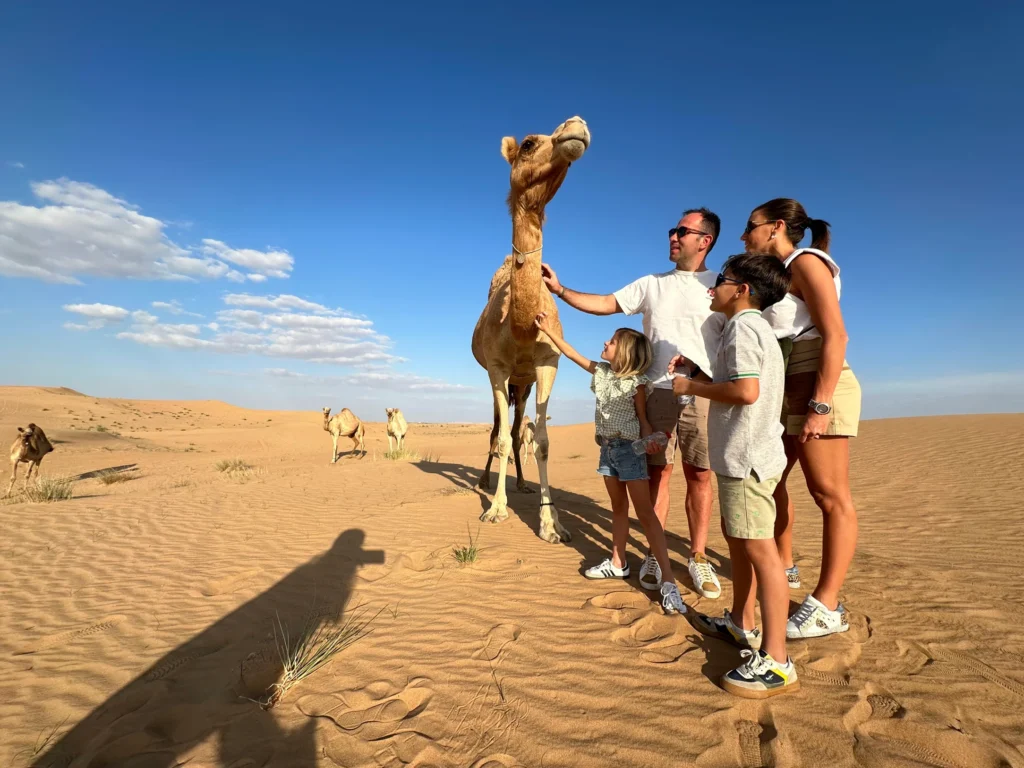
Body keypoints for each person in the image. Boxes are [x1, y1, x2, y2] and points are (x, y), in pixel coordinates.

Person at [540, 208, 725, 600]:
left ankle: (697, 555)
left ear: (704, 240)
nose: (673, 236)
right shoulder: (652, 284)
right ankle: (657, 558)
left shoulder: (722, 287)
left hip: (704, 392)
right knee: (658, 476)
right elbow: (606, 303)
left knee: (701, 476)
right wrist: (561, 291)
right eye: (672, 230)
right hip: (655, 391)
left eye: (682, 231)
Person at [670, 253, 798, 698]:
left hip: (746, 461)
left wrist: (691, 387)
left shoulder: (743, 327)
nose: (713, 286)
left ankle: (777, 661)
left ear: (742, 290)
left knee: (762, 554)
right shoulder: (750, 328)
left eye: (721, 280)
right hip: (744, 458)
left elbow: (746, 391)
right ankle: (742, 624)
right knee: (741, 546)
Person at [741, 198, 862, 639]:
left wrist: (821, 404)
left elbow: (837, 333)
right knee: (772, 480)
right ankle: (785, 566)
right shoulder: (780, 274)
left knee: (830, 494)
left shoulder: (808, 262)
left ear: (775, 227)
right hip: (790, 382)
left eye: (749, 227)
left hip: (818, 381)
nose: (744, 235)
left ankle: (827, 603)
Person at [533, 313, 687, 615]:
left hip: (631, 451)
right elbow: (573, 354)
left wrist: (651, 439)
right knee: (619, 509)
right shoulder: (601, 373)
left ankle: (668, 582)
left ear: (626, 352)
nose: (606, 342)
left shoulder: (637, 385)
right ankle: (618, 562)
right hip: (607, 451)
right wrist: (549, 331)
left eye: (613, 341)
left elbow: (642, 418)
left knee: (645, 514)